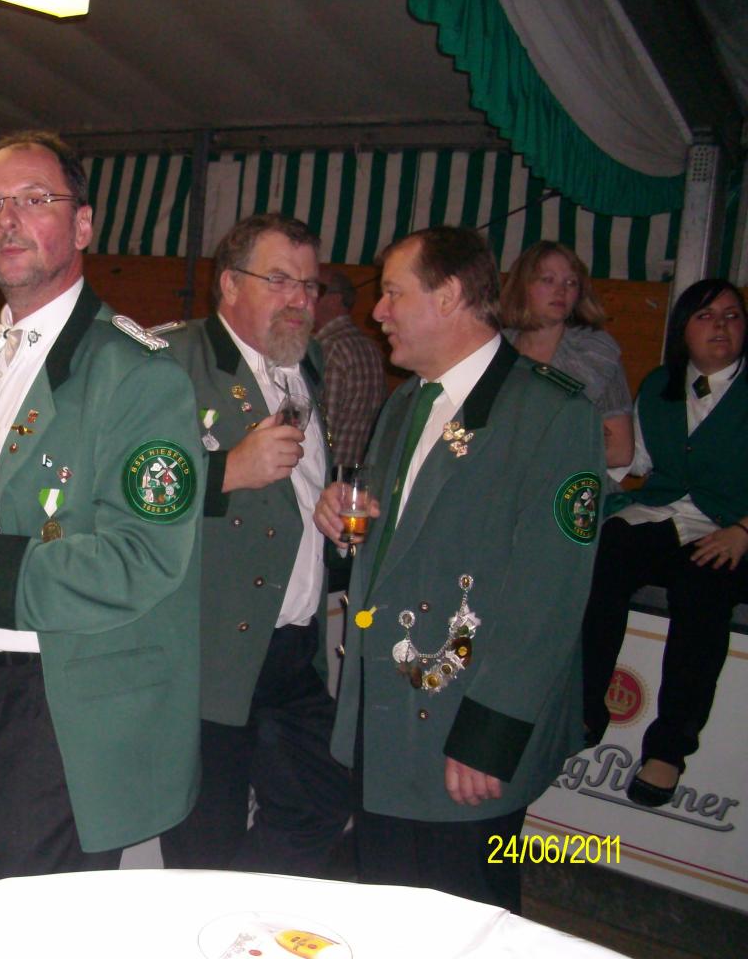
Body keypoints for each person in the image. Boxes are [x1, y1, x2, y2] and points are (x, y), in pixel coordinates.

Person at [0, 131, 203, 889]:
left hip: (55, 709)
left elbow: (143, 560)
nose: (8, 220)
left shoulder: (137, 376)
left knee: (27, 934)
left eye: (33, 200)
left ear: (83, 225)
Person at [315, 226, 603, 912]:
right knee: (389, 909)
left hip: (462, 732)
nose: (377, 311)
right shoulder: (408, 403)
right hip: (389, 716)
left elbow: (550, 597)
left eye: (393, 293)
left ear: (447, 296)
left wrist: (488, 738)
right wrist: (347, 526)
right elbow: (403, 548)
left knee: (463, 916)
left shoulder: (552, 413)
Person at [159, 214, 351, 877]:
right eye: (279, 280)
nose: (299, 299)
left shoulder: (307, 364)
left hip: (295, 647)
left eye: (309, 285)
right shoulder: (169, 360)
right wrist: (225, 471)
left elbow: (297, 489)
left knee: (322, 801)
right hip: (208, 650)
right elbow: (117, 490)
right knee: (203, 842)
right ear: (228, 284)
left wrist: (326, 505)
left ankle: (241, 912)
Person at [582, 279, 748, 807]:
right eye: (706, 316)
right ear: (683, 330)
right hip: (668, 515)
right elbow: (633, 461)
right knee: (606, 551)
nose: (720, 326)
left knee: (704, 585)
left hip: (736, 529)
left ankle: (669, 749)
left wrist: (743, 531)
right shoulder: (659, 386)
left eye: (731, 315)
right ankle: (583, 708)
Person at [501, 241, 634, 468]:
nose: (561, 290)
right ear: (523, 286)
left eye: (571, 282)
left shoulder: (596, 353)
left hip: (565, 480)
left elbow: (620, 452)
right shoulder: (495, 349)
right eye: (548, 279)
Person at [312, 266, 387, 465]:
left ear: (335, 299)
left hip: (325, 473)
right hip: (353, 473)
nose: (306, 297)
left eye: (316, 288)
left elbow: (319, 430)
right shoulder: (370, 347)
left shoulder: (328, 349)